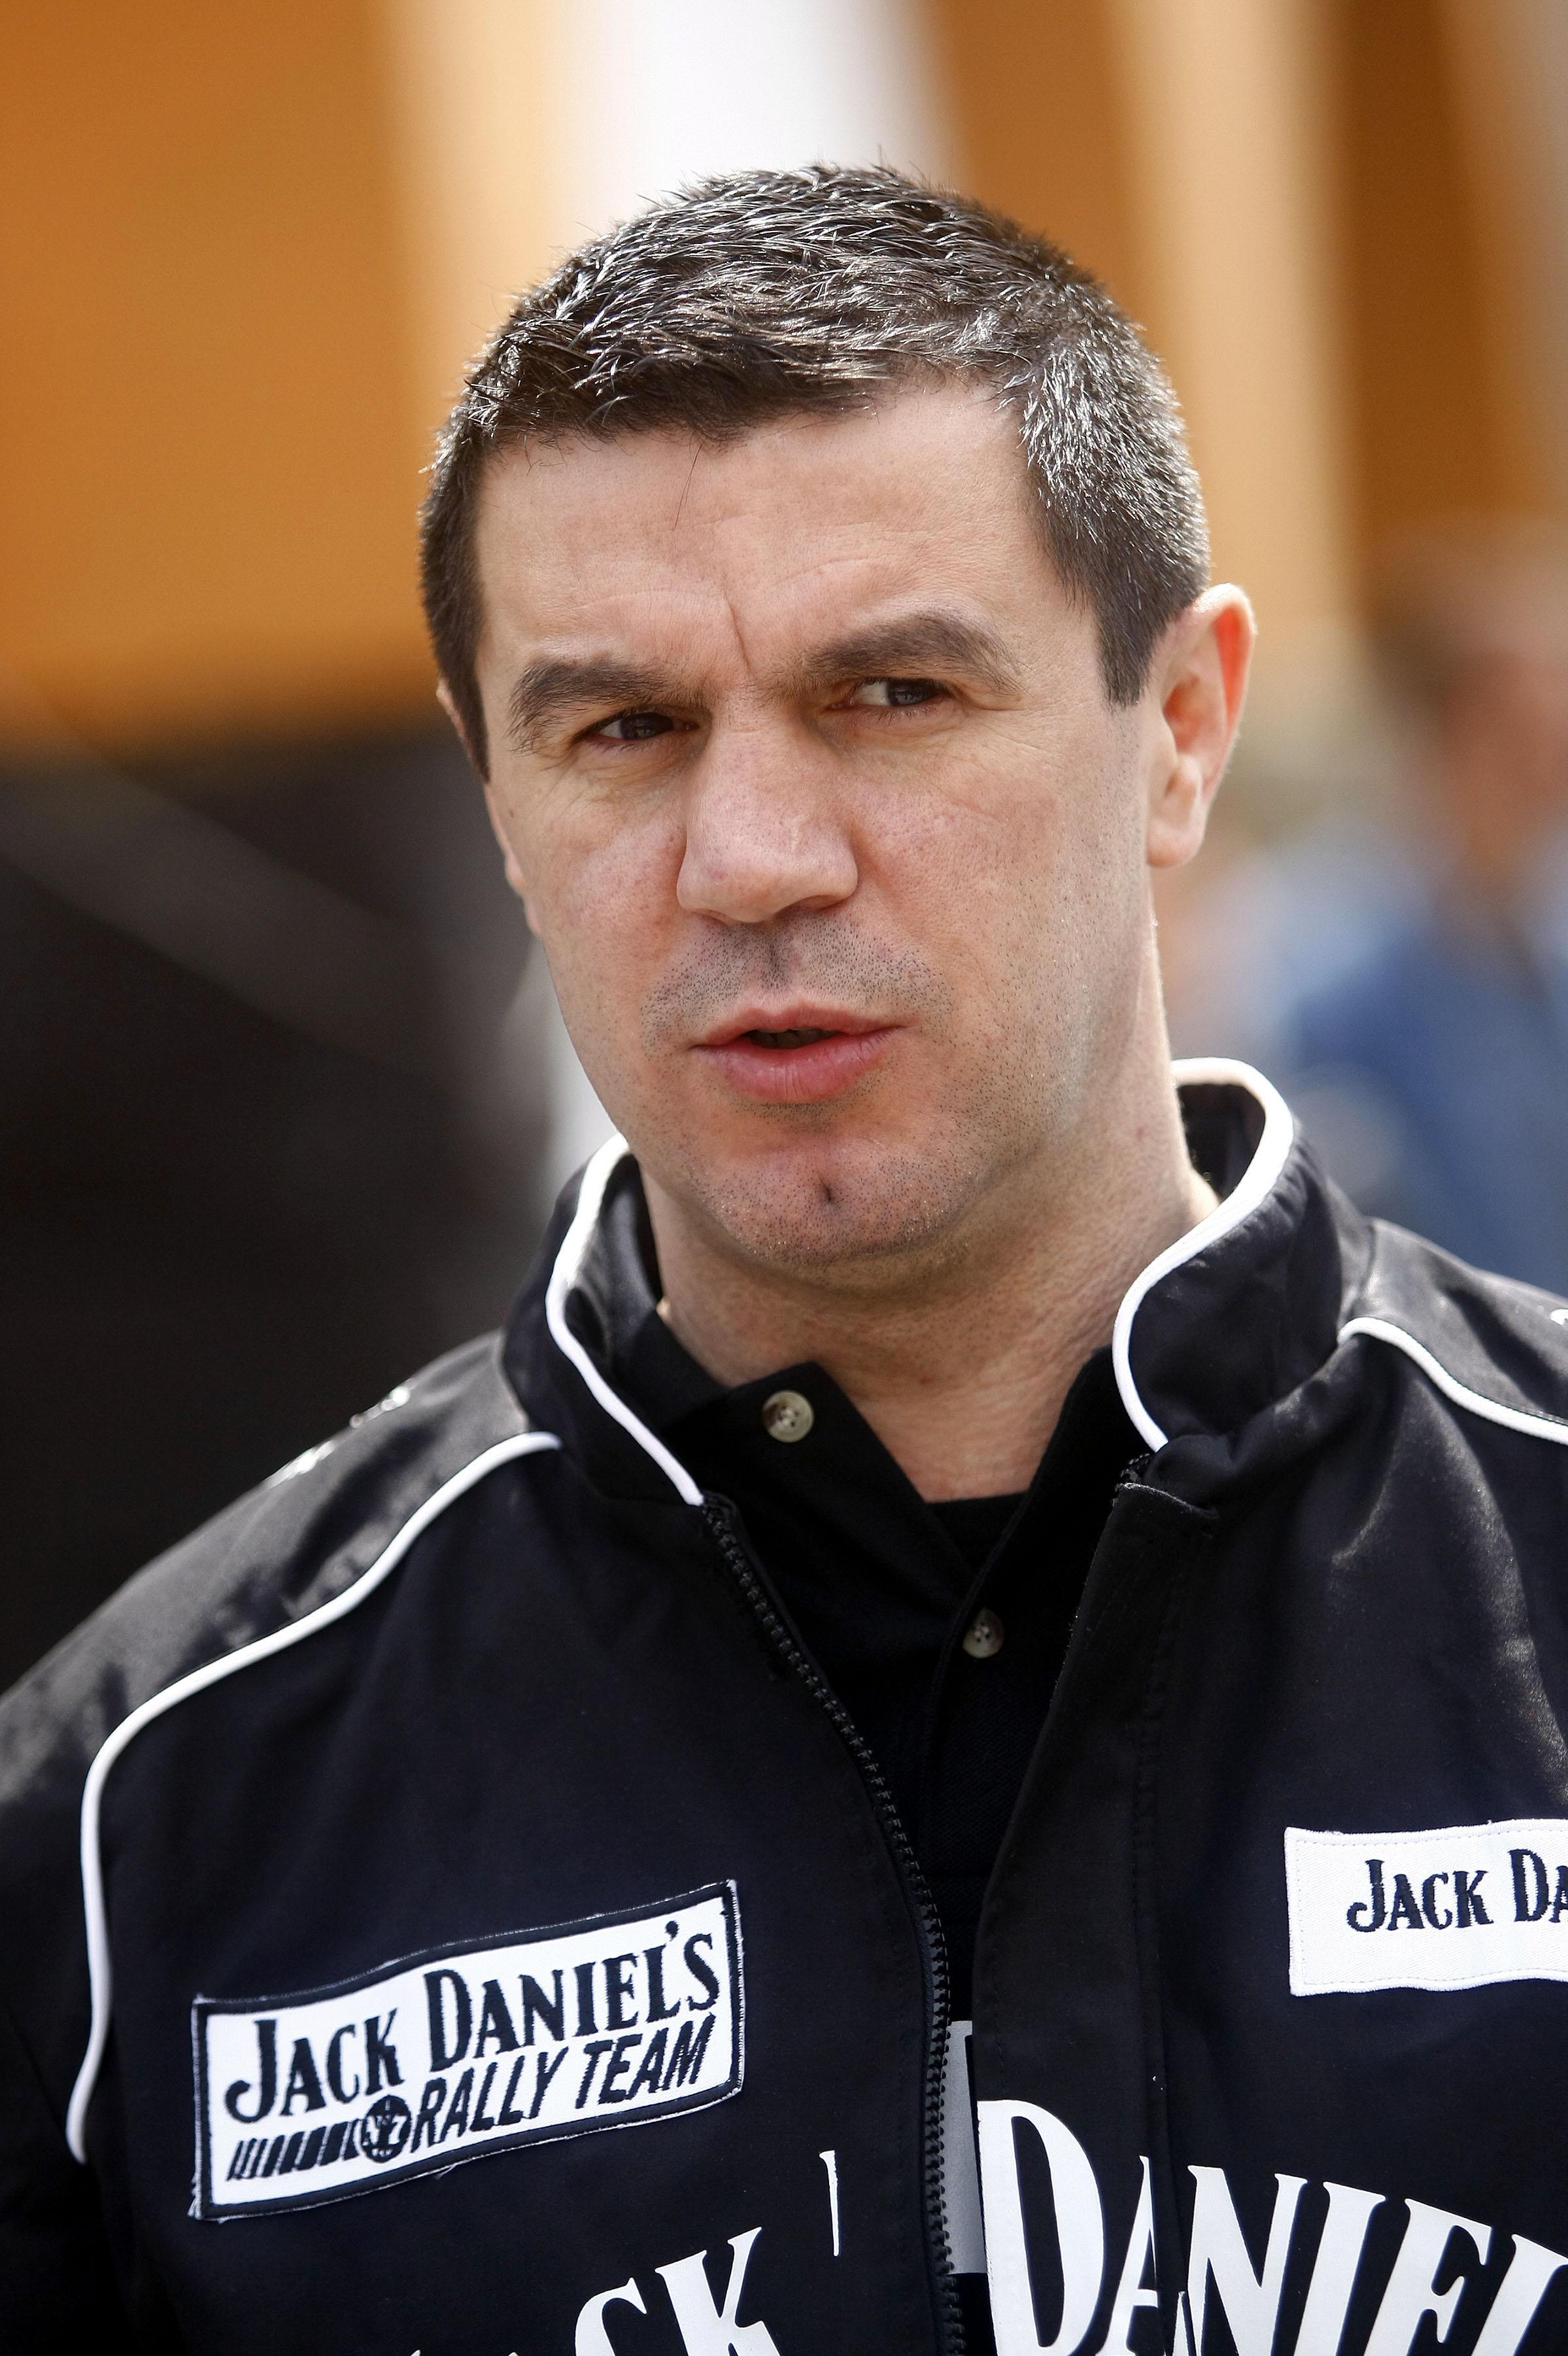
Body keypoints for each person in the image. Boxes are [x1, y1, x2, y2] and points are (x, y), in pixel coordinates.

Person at [3, 167, 1567, 2356]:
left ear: (1177, 732)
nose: (747, 859)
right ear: (494, 800)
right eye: (620, 730)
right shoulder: (141, 1819)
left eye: (891, 693)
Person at [1278, 522, 1568, 1291]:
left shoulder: (1543, 938)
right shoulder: (1331, 967)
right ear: (1447, 736)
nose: (1549, 752)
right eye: (1519, 728)